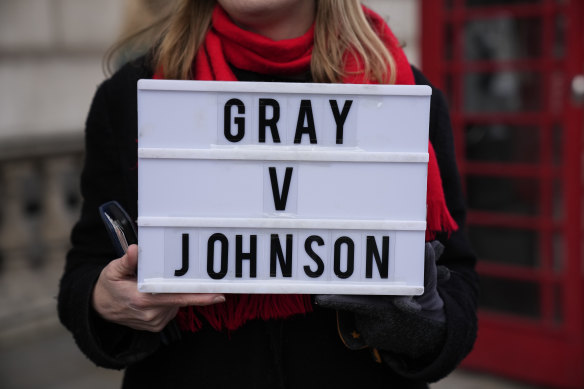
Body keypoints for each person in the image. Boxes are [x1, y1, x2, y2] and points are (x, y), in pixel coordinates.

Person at [58, 1, 478, 388]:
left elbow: (458, 287)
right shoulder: (130, 95)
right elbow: (87, 267)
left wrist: (418, 317)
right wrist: (104, 300)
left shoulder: (402, 96)